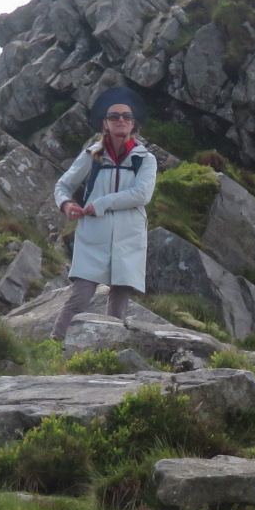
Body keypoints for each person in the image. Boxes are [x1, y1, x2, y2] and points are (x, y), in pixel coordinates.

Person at [52, 85, 159, 338]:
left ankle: (108, 352)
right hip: (93, 236)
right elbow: (63, 185)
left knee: (117, 309)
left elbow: (142, 195)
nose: (120, 120)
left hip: (128, 238)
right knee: (79, 300)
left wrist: (100, 203)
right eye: (114, 117)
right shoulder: (93, 155)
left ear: (134, 124)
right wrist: (66, 204)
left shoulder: (144, 159)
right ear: (105, 124)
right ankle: (54, 347)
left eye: (126, 116)